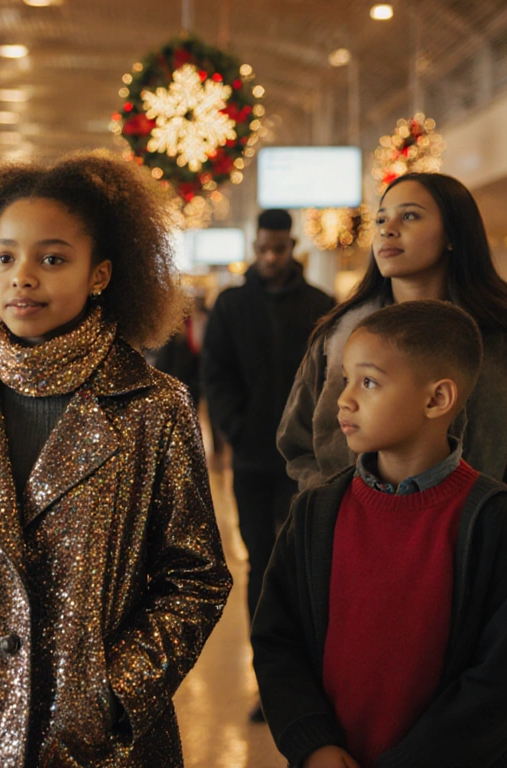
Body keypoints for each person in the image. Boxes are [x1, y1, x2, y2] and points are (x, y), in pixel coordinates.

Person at [0, 153, 232, 767]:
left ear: (99, 274)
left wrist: (118, 691)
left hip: (102, 742)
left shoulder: (153, 406)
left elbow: (196, 576)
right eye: (4, 256)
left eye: (52, 258)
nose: (23, 277)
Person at [252, 300, 507, 768]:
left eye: (368, 382)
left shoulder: (496, 522)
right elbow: (277, 640)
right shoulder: (316, 512)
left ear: (437, 399)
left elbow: (504, 682)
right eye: (346, 379)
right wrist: (313, 743)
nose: (343, 400)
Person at [277, 173, 507, 593]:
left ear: (453, 234)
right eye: (381, 220)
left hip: (487, 579)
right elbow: (299, 445)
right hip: (363, 572)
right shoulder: (339, 338)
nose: (388, 229)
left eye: (410, 216)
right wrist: (332, 528)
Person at [200, 208, 334, 722]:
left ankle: (314, 678)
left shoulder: (320, 306)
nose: (270, 257)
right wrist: (236, 428)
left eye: (278, 248)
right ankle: (270, 684)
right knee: (260, 567)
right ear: (254, 246)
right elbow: (216, 372)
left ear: (292, 245)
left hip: (311, 462)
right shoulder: (233, 305)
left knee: (308, 567)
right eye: (262, 249)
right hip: (255, 460)